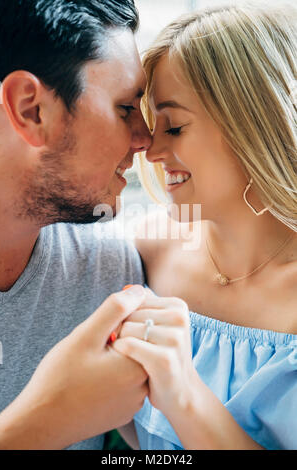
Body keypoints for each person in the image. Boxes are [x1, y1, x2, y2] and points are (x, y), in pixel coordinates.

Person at [114, 3, 297, 450]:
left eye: (173, 127)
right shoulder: (144, 252)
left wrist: (183, 396)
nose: (149, 151)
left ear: (253, 125)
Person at [0, 0, 158, 450]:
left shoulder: (107, 269)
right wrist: (44, 424)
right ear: (32, 110)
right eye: (126, 108)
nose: (146, 139)